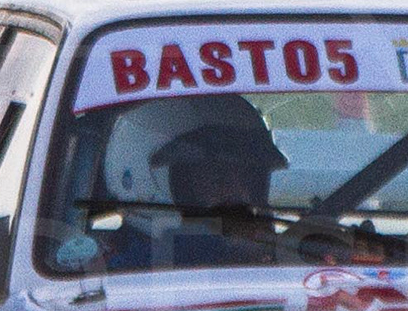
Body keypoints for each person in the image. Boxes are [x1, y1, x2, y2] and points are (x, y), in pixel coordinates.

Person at [97, 95, 291, 269]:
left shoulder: (281, 262)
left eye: (250, 175)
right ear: (144, 178)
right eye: (216, 174)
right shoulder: (123, 276)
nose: (240, 191)